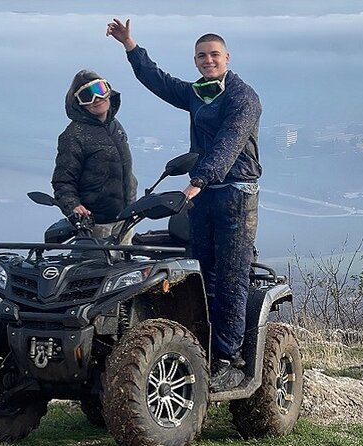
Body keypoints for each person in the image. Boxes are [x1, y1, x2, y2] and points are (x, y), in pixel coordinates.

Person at [107, 18, 262, 391]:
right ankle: (201, 352)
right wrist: (131, 46)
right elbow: (160, 82)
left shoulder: (243, 97)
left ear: (227, 57)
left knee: (230, 277)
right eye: (201, 56)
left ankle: (231, 361)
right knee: (201, 274)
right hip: (205, 194)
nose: (207, 61)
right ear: (195, 61)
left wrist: (199, 178)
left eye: (214, 55)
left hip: (236, 194)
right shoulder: (199, 92)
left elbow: (231, 141)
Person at [51, 69, 138, 244]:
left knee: (126, 269)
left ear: (109, 91)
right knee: (98, 270)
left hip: (126, 218)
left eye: (99, 89)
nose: (96, 98)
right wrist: (73, 206)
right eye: (86, 95)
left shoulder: (114, 125)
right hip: (96, 224)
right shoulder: (73, 135)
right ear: (78, 103)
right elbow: (62, 181)